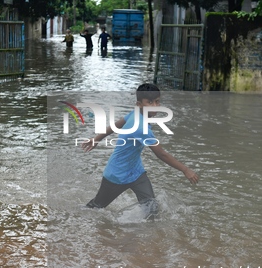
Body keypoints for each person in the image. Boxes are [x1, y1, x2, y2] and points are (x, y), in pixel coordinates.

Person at [81, 83, 199, 216]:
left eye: (157, 101)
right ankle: (76, 218)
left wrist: (96, 139)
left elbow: (115, 126)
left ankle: (146, 235)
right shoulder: (140, 126)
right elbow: (161, 154)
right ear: (139, 104)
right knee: (96, 207)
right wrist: (185, 169)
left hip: (136, 172)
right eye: (149, 102)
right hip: (117, 174)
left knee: (151, 209)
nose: (154, 105)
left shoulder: (135, 114)